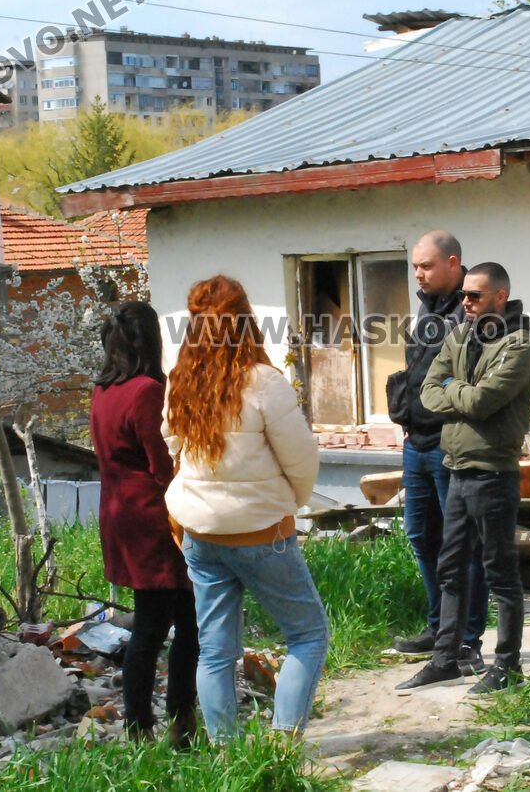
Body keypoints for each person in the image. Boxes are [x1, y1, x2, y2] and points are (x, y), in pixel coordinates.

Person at [163, 275, 328, 740]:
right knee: (308, 636)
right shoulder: (263, 382)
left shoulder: (181, 380)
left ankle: (228, 758)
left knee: (215, 652)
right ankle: (278, 748)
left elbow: (171, 443)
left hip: (199, 531)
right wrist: (289, 504)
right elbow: (301, 457)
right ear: (245, 320)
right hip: (260, 532)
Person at [395, 262, 530, 695]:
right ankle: (445, 659)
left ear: (499, 296)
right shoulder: (459, 334)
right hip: (457, 467)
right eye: (464, 296)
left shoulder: (518, 345)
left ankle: (506, 664)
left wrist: (454, 391)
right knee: (449, 567)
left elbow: (481, 402)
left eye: (474, 296)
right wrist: (459, 392)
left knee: (500, 573)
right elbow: (426, 389)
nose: (466, 303)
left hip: (493, 472)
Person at [89, 301, 199, 746]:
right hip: (153, 516)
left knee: (151, 623)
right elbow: (162, 462)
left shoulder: (102, 389)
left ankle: (142, 726)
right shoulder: (147, 390)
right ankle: (175, 723)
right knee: (183, 623)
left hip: (118, 511)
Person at [386, 230, 488, 674]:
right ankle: (438, 626)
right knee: (420, 537)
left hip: (451, 443)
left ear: (452, 262)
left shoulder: (474, 307)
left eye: (426, 267)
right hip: (417, 443)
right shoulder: (427, 308)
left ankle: (466, 639)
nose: (418, 275)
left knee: (460, 544)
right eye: (414, 267)